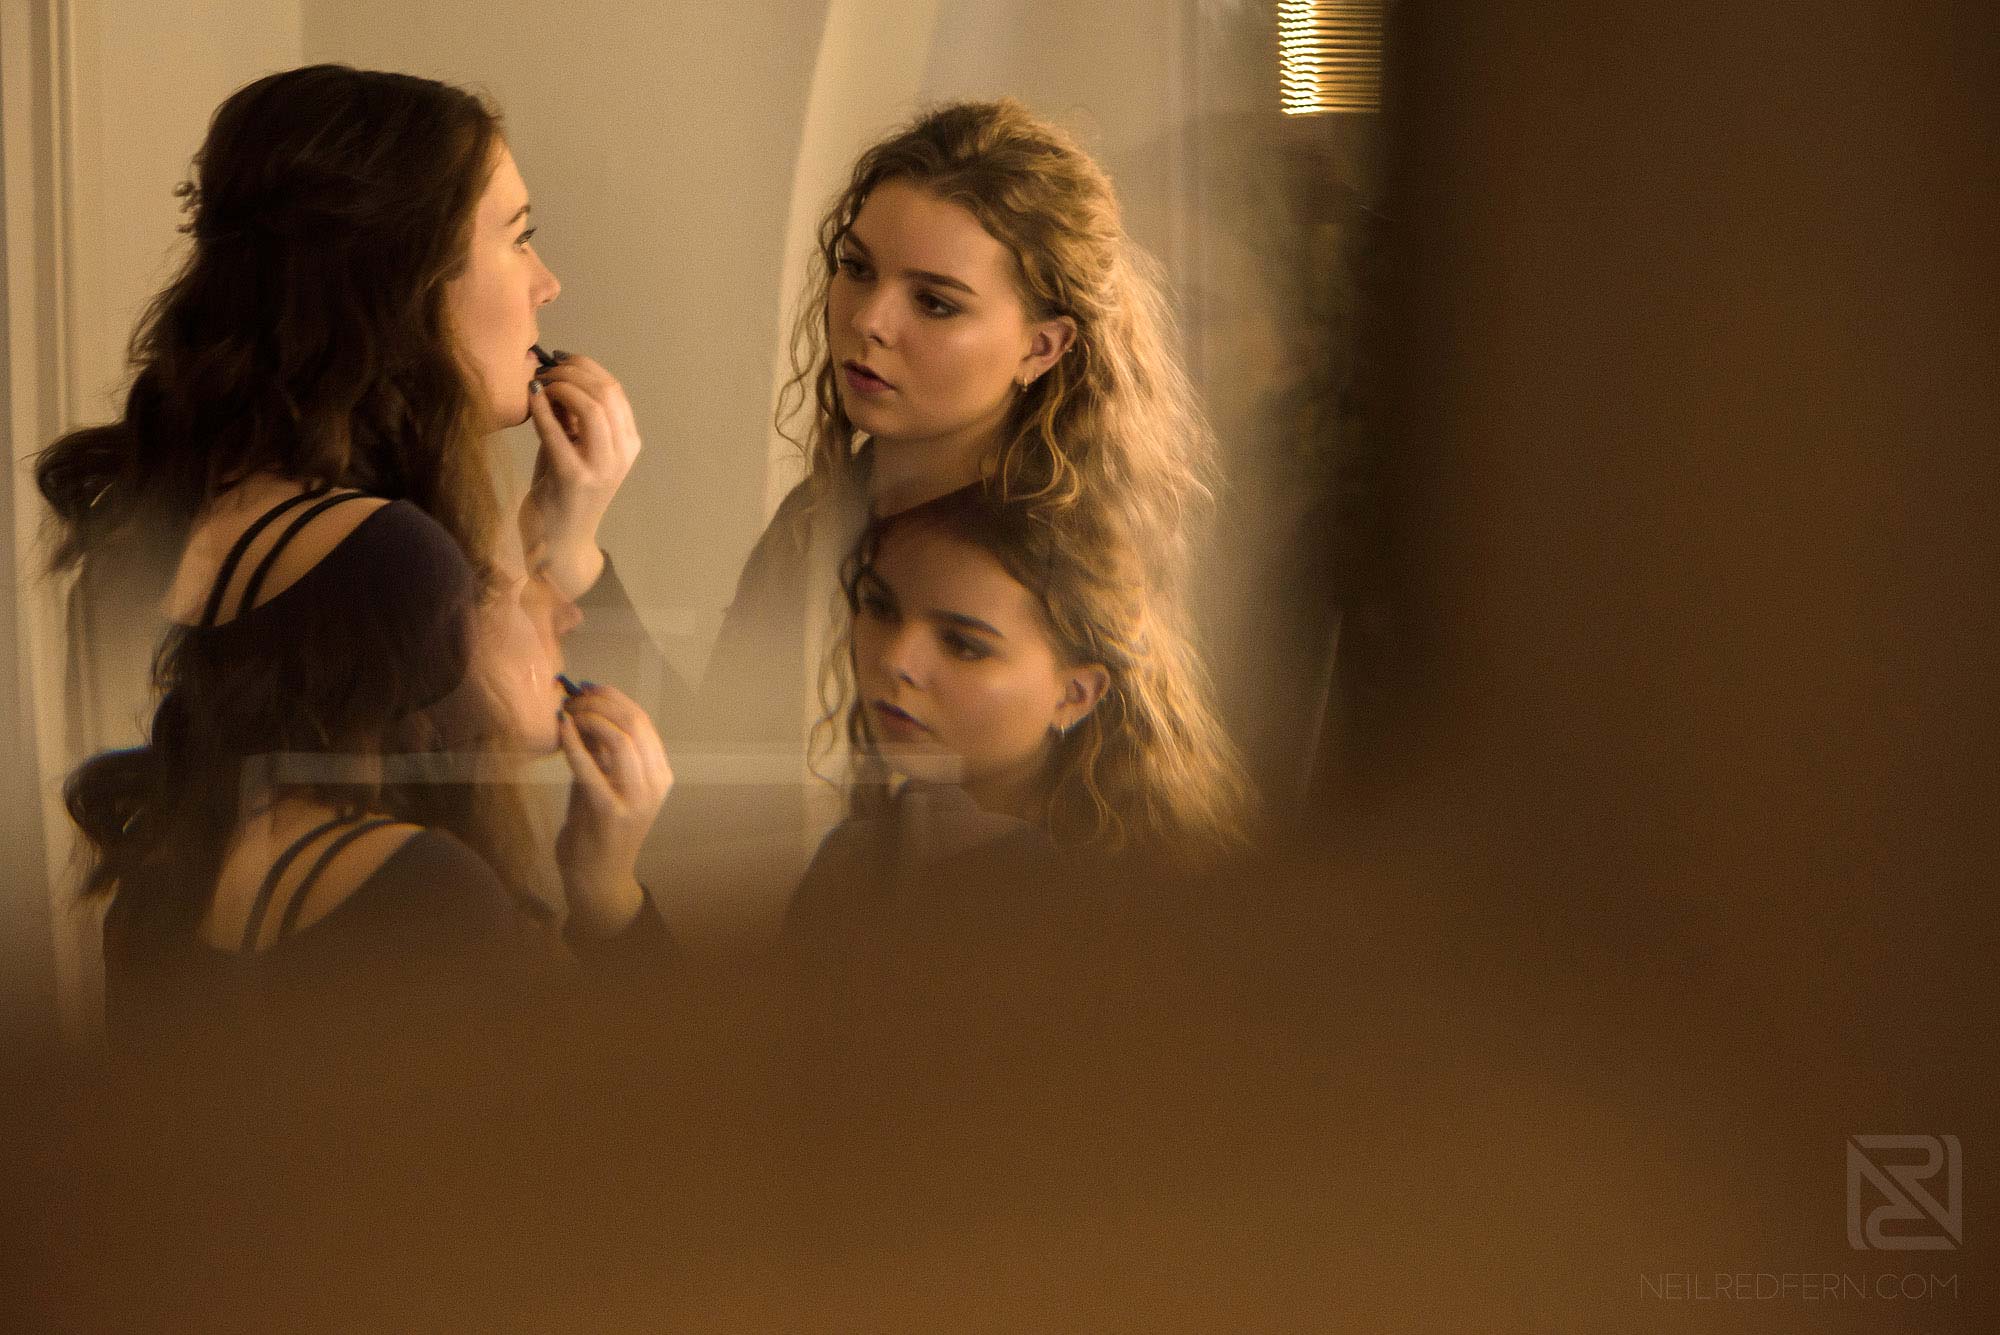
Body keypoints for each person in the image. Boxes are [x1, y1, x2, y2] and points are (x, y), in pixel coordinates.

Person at [33, 65, 669, 1038]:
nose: (548, 284)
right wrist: (611, 898)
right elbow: (634, 1121)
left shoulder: (243, 515)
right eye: (520, 237)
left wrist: (560, 529)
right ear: (407, 278)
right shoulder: (385, 563)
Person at [677, 99, 1227, 909]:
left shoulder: (1051, 551)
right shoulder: (818, 517)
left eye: (935, 303)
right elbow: (716, 773)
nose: (868, 320)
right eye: (858, 267)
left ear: (1042, 347)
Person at [785, 486, 1251, 939]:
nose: (895, 661)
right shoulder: (855, 862)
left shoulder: (1114, 914)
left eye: (962, 645)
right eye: (880, 607)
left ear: (1074, 694)